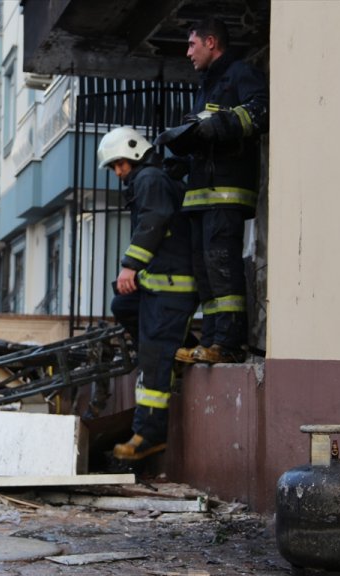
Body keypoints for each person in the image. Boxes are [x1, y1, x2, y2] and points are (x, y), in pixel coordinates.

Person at [168, 17, 269, 365]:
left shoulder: (241, 74)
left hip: (225, 193)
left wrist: (214, 126)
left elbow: (259, 113)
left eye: (192, 44)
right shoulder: (206, 85)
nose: (188, 52)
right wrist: (182, 155)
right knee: (206, 274)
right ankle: (211, 341)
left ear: (211, 42)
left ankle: (228, 344)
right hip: (200, 196)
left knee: (222, 268)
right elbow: (208, 132)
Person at [97, 126, 199, 462]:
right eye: (114, 167)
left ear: (136, 152)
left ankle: (149, 436)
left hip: (172, 287)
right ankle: (174, 349)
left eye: (120, 164)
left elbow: (155, 219)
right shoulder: (150, 179)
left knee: (153, 358)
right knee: (123, 303)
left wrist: (130, 265)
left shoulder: (150, 179)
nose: (118, 172)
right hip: (160, 283)